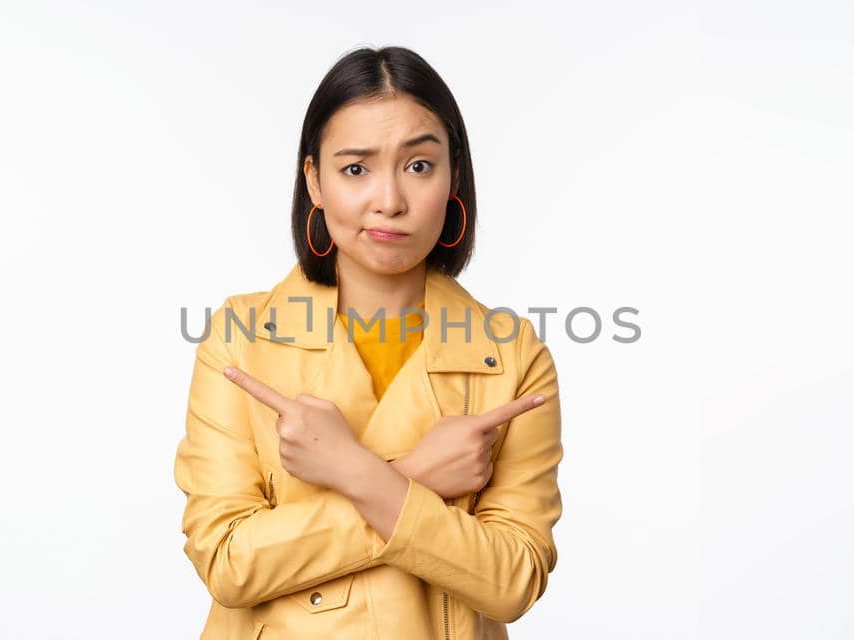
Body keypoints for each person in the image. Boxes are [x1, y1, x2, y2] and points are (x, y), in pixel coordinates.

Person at [174, 45, 564, 639]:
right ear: (315, 181)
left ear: (453, 174)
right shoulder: (240, 338)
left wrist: (356, 473)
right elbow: (229, 564)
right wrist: (415, 474)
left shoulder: (511, 355)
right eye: (356, 168)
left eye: (418, 166)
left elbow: (514, 581)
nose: (390, 200)